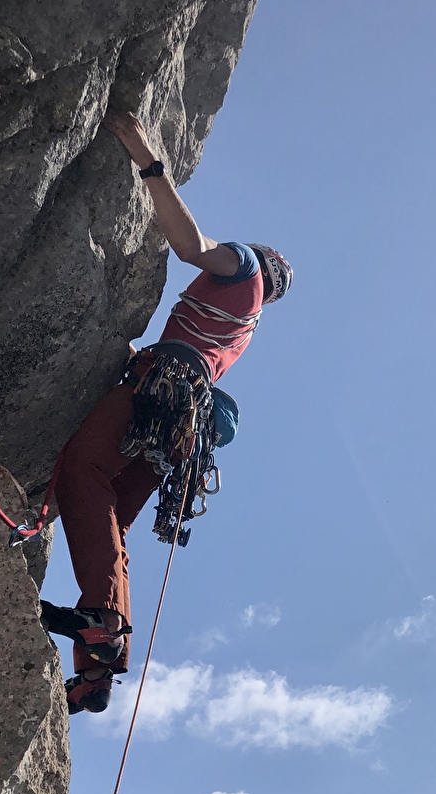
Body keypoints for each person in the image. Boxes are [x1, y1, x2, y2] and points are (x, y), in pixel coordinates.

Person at [40, 110, 293, 714]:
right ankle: (100, 662)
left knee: (82, 472)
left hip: (163, 393)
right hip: (182, 426)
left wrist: (148, 160)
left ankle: (100, 620)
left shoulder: (244, 268)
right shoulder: (246, 328)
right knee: (108, 525)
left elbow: (192, 247)